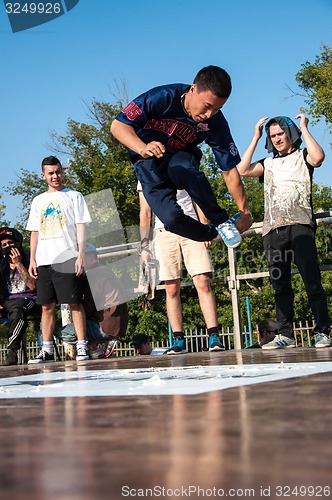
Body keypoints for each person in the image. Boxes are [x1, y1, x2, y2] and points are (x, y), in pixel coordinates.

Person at [110, 65, 252, 248]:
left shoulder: (216, 122)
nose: (209, 114)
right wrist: (142, 148)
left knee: (183, 168)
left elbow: (229, 170)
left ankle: (221, 221)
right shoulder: (161, 97)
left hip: (180, 157)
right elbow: (118, 126)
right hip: (149, 164)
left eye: (217, 109)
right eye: (207, 106)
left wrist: (244, 211)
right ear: (193, 89)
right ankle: (214, 233)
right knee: (171, 220)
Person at [238, 114, 331, 349]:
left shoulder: (302, 157)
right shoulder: (268, 163)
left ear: (290, 134)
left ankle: (322, 331)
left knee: (312, 281)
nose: (277, 139)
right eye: (273, 136)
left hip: (300, 227)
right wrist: (256, 136)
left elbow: (319, 157)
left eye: (281, 134)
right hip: (272, 230)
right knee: (280, 285)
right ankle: (286, 334)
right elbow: (242, 169)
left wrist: (304, 128)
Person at [138, 182, 225, 353]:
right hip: (163, 232)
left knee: (202, 281)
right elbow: (145, 213)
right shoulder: (145, 175)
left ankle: (214, 335)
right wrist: (144, 246)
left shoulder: (178, 162)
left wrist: (205, 226)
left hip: (191, 225)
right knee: (171, 287)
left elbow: (197, 196)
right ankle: (178, 339)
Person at [26, 155, 92, 363]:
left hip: (67, 257)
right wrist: (32, 260)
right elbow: (34, 232)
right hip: (44, 260)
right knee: (46, 306)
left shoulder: (74, 196)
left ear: (62, 172)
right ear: (43, 175)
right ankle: (47, 350)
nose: (55, 176)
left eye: (58, 172)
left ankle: (82, 346)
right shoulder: (38, 201)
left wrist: (80, 254)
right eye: (51, 173)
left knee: (74, 302)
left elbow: (81, 226)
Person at [60, 242, 129, 358]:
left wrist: (75, 309)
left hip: (106, 325)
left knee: (65, 333)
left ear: (91, 257)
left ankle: (99, 343)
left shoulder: (94, 274)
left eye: (80, 258)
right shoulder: (105, 270)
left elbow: (89, 306)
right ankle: (98, 344)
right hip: (116, 322)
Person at [0, 227, 41, 365]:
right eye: (4, 245)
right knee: (14, 308)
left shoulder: (30, 259)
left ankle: (12, 352)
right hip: (7, 301)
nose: (7, 247)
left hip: (29, 299)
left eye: (10, 243)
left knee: (18, 309)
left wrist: (18, 264)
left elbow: (33, 286)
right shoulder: (1, 264)